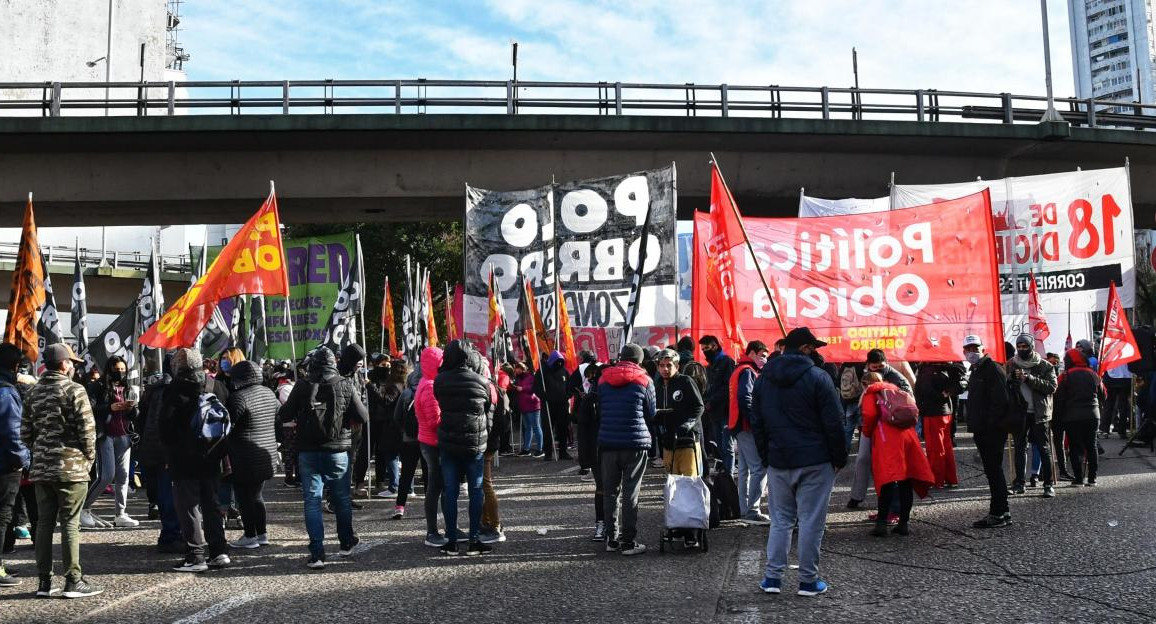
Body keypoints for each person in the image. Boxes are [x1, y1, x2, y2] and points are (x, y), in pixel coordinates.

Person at [750, 327, 846, 597]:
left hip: (780, 459)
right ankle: (807, 581)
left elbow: (757, 422)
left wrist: (766, 456)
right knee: (811, 521)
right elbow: (834, 422)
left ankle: (772, 578)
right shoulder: (819, 378)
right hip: (816, 460)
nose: (816, 351)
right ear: (804, 348)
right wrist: (838, 458)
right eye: (813, 347)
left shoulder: (763, 379)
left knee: (780, 521)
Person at [21, 344, 103, 598]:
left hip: (42, 468)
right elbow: (88, 432)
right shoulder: (74, 390)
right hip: (72, 467)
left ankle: (44, 582)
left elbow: (25, 434)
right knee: (70, 523)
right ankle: (73, 580)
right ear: (65, 363)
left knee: (44, 524)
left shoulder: (32, 392)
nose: (74, 367)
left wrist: (40, 453)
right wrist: (89, 459)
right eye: (72, 363)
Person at [278, 347, 368, 569]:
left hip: (308, 451)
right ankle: (346, 542)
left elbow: (285, 414)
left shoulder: (302, 385)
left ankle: (317, 553)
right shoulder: (344, 383)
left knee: (312, 501)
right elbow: (363, 416)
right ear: (333, 363)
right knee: (341, 499)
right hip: (337, 450)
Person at [160, 348, 231, 573]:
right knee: (212, 503)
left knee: (189, 506)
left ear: (177, 367)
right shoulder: (215, 386)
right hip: (212, 455)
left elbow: (165, 428)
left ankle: (196, 555)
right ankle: (219, 551)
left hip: (183, 458)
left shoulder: (174, 390)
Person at [433, 341, 494, 556]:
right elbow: (487, 407)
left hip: (449, 441)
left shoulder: (440, 381)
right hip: (474, 442)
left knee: (450, 491)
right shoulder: (481, 381)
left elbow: (439, 402)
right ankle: (474, 539)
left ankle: (450, 540)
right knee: (476, 490)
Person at [859, 372, 935, 537]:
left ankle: (881, 524)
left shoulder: (870, 394)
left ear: (865, 383)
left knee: (886, 479)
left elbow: (870, 415)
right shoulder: (895, 390)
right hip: (907, 436)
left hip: (887, 439)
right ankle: (903, 523)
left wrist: (866, 433)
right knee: (905, 480)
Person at [598, 343, 656, 556]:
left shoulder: (603, 378)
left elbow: (601, 408)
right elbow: (652, 412)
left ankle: (611, 539)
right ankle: (629, 542)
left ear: (620, 357)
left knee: (610, 492)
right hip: (635, 443)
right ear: (640, 360)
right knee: (631, 492)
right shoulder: (645, 380)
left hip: (608, 442)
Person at [225, 360, 280, 549]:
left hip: (243, 456)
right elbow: (277, 418)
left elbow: (227, 425)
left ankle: (250, 536)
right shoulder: (269, 393)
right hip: (266, 454)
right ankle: (262, 534)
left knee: (243, 497)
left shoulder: (238, 397)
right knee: (257, 496)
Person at [79, 356, 139, 529]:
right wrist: (109, 407)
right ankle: (84, 508)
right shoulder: (98, 386)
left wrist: (132, 408)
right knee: (106, 475)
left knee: (124, 477)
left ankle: (121, 513)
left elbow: (135, 415)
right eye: (116, 370)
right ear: (109, 369)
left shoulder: (127, 387)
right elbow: (90, 408)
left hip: (124, 435)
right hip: (105, 435)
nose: (119, 373)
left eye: (122, 370)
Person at [963, 335, 1013, 529]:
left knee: (994, 471)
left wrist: (989, 426)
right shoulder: (976, 370)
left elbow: (1001, 402)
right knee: (992, 471)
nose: (972, 352)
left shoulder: (992, 369)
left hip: (991, 430)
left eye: (975, 347)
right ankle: (1001, 511)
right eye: (968, 348)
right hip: (982, 429)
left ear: (983, 348)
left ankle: (999, 513)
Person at [136, 355, 182, 553]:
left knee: (164, 495)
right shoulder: (169, 393)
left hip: (151, 450)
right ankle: (170, 536)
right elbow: (164, 425)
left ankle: (170, 533)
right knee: (169, 495)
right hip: (164, 452)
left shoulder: (153, 391)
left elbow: (142, 422)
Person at [1007, 333, 1058, 498]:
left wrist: (1029, 378)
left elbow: (1051, 387)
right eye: (1019, 346)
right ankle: (1019, 483)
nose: (1022, 349)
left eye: (1025, 346)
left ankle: (1048, 484)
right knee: (1020, 448)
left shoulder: (1044, 366)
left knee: (1043, 448)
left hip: (1039, 413)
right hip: (1020, 413)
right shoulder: (1011, 364)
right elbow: (1004, 387)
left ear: (1031, 347)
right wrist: (1012, 380)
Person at [729, 341, 770, 525]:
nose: (765, 359)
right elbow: (745, 397)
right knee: (759, 468)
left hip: (737, 424)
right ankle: (752, 511)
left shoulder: (740, 369)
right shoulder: (748, 371)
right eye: (762, 355)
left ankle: (744, 509)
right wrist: (755, 421)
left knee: (745, 470)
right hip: (746, 425)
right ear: (752, 353)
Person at [0, 343, 30, 587]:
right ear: (14, 366)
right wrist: (23, 460)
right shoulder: (7, 392)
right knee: (2, 516)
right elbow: (12, 434)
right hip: (5, 465)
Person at [1053, 349, 1106, 487]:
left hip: (1072, 417)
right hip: (1093, 415)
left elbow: (1058, 397)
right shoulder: (1094, 375)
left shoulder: (1065, 376)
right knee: (1091, 446)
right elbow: (1104, 395)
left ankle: (1078, 479)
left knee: (1075, 447)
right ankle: (1092, 478)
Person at [414, 347, 449, 548]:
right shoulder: (429, 386)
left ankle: (444, 527)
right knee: (436, 487)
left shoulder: (428, 382)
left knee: (441, 486)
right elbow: (434, 420)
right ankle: (432, 531)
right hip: (432, 442)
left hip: (430, 441)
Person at [914, 361, 966, 488]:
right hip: (944, 410)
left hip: (933, 412)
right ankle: (949, 478)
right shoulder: (945, 366)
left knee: (935, 448)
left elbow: (925, 391)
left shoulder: (929, 368)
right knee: (945, 447)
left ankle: (937, 479)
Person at [656, 349, 705, 477]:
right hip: (668, 443)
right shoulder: (657, 386)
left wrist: (687, 425)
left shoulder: (686, 381)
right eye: (662, 365)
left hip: (688, 440)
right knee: (672, 481)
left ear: (677, 366)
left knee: (690, 481)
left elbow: (699, 406)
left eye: (669, 365)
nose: (665, 369)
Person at [480, 362, 509, 544]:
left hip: (484, 443)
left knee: (485, 485)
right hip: (490, 442)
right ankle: (487, 521)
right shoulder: (497, 389)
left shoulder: (486, 389)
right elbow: (503, 423)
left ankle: (495, 524)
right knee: (483, 485)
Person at [699, 335, 737, 475]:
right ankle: (723, 471)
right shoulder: (709, 366)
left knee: (727, 445)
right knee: (718, 444)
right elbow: (709, 387)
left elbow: (728, 387)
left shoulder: (726, 362)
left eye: (707, 348)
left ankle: (729, 475)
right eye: (702, 349)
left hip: (726, 410)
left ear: (715, 346)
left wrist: (711, 401)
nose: (704, 351)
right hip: (713, 411)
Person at [391, 361, 423, 520]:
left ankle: (400, 506)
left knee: (406, 475)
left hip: (408, 439)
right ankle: (429, 507)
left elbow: (397, 417)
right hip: (427, 440)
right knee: (429, 474)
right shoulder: (432, 389)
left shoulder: (407, 393)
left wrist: (404, 429)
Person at [577, 363, 606, 540]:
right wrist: (585, 461)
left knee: (612, 488)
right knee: (604, 488)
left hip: (617, 447)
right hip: (598, 449)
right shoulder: (591, 399)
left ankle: (613, 527)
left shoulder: (619, 394)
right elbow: (583, 430)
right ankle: (602, 524)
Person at [366, 358, 402, 497]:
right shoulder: (402, 383)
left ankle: (393, 486)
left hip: (390, 423)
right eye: (383, 365)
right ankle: (404, 487)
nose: (386, 368)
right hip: (384, 422)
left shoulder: (394, 385)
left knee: (390, 454)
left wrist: (371, 386)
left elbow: (385, 400)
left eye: (389, 366)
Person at [536, 351, 571, 461]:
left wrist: (568, 395)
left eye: (561, 362)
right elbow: (536, 387)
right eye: (557, 362)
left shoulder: (564, 371)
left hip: (562, 405)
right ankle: (548, 453)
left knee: (563, 429)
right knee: (548, 429)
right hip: (548, 405)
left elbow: (571, 385)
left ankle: (563, 452)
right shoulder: (542, 372)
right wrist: (544, 396)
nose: (559, 364)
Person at [512, 362, 543, 457]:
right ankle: (526, 449)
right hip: (524, 406)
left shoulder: (530, 376)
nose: (516, 370)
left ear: (522, 369)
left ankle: (540, 449)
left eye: (517, 368)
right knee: (528, 428)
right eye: (515, 369)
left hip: (532, 405)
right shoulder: (518, 378)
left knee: (536, 427)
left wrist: (523, 388)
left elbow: (533, 388)